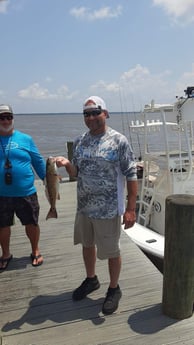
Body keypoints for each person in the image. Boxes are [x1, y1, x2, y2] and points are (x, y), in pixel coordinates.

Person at [56, 96, 137, 315]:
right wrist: (67, 165)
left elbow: (131, 175)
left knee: (111, 251)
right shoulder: (80, 140)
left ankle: (113, 288)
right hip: (84, 207)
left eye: (95, 112)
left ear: (106, 114)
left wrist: (130, 209)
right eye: (87, 114)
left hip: (108, 209)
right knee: (87, 244)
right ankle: (91, 280)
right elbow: (76, 174)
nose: (91, 117)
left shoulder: (119, 141)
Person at [0, 104, 46, 270]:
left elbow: (38, 161)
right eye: (1, 117)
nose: (5, 120)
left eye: (8, 117)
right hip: (1, 194)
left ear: (13, 118)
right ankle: (5, 254)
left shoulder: (25, 139)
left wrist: (48, 180)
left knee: (31, 223)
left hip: (26, 191)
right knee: (2, 226)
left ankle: (35, 250)